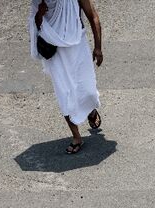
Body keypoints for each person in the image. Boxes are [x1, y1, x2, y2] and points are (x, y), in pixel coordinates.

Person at [30, 0, 104, 154]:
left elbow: (93, 16)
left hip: (78, 45)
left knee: (88, 90)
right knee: (64, 94)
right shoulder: (38, 1)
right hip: (55, 51)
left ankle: (90, 109)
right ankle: (76, 137)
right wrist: (40, 14)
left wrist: (98, 48)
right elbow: (37, 26)